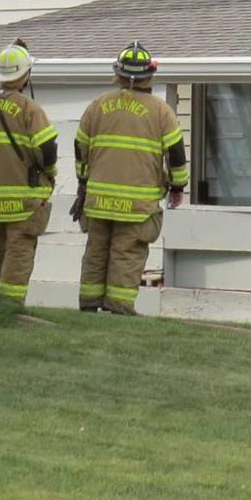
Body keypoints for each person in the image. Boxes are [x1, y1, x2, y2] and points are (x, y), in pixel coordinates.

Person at [72, 41, 188, 315]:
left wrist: (83, 181)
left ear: (118, 74)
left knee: (96, 252)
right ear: (150, 75)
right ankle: (120, 308)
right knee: (127, 255)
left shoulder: (98, 106)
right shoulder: (161, 112)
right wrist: (177, 187)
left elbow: (80, 147)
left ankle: (89, 305)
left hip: (98, 200)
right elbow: (175, 154)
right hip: (137, 204)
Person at [0, 41, 58, 304]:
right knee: (18, 253)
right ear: (25, 75)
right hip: (23, 201)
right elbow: (47, 148)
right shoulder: (30, 109)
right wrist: (50, 172)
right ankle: (8, 308)